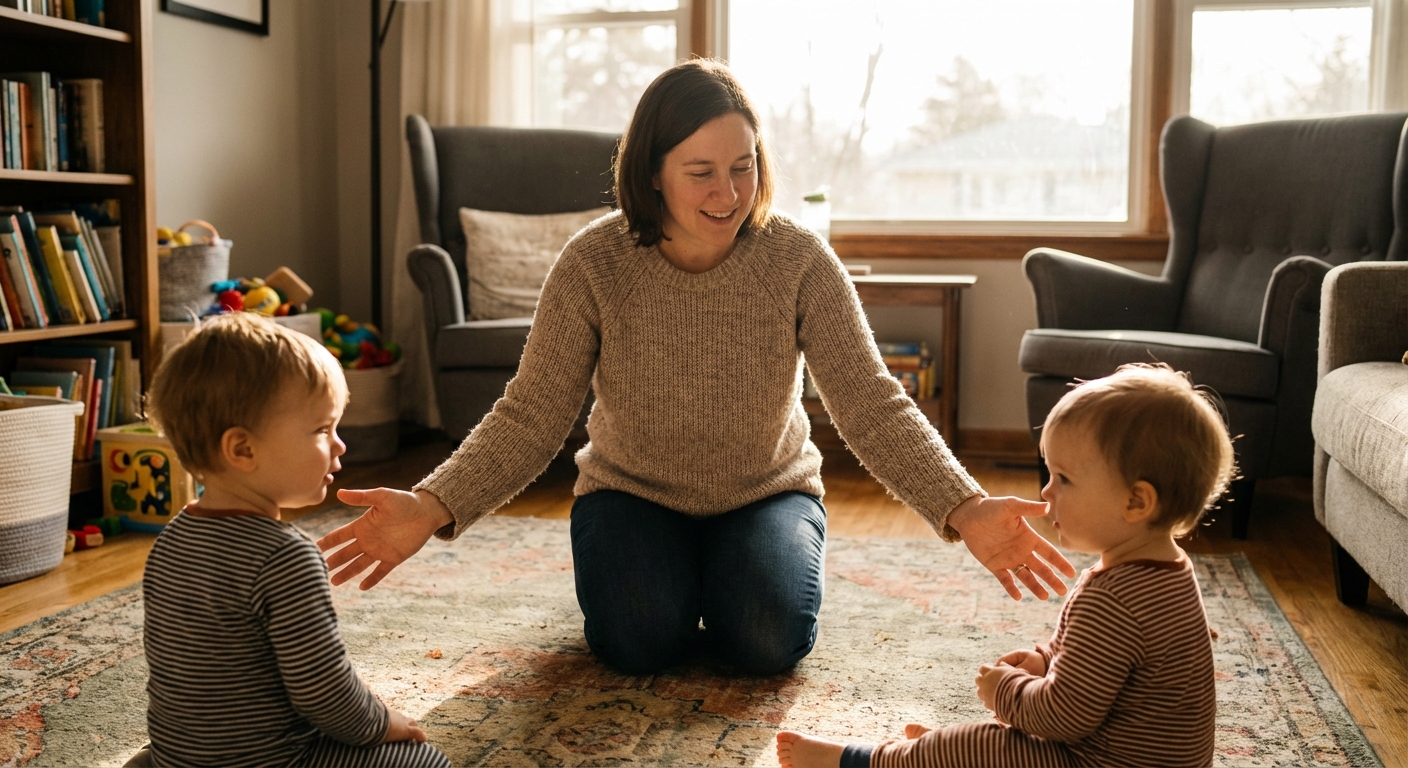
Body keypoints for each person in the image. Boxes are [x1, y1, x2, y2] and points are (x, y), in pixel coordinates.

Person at [318, 58, 1073, 677]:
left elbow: (872, 402)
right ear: (651, 173)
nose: (728, 193)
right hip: (630, 492)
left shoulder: (800, 258)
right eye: (701, 171)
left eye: (743, 167)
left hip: (765, 493)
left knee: (766, 641)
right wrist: (433, 503)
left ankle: (734, 571)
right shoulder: (593, 261)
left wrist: (963, 506)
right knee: (637, 642)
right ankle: (673, 578)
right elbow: (533, 412)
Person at [776, 363, 1230, 768]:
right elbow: (1109, 665)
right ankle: (933, 756)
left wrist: (1005, 690)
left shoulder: (1114, 599)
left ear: (1136, 501)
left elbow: (1063, 718)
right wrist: (1044, 659)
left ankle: (867, 761)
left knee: (989, 741)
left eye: (1064, 479)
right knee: (984, 744)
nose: (1047, 492)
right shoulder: (1168, 572)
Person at [138, 313, 449, 768]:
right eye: (323, 430)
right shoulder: (285, 556)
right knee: (424, 761)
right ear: (242, 449)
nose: (340, 445)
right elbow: (324, 693)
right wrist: (383, 723)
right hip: (274, 761)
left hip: (179, 759)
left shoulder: (171, 541)